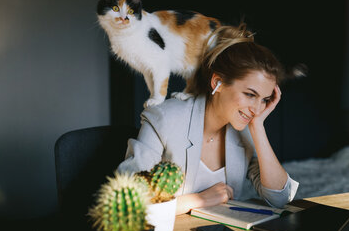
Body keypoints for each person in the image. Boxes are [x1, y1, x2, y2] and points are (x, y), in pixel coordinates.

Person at [117, 23, 299, 214]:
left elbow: (279, 198)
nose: (256, 109)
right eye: (250, 94)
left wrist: (258, 127)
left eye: (265, 100)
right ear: (218, 82)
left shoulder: (245, 132)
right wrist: (197, 200)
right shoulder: (163, 119)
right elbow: (125, 203)